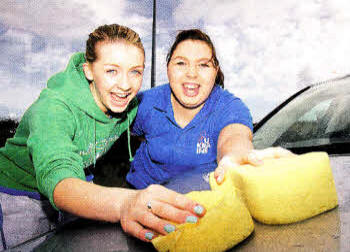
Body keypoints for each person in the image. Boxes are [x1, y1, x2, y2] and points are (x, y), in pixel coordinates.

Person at [0, 24, 206, 250]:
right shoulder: (53, 109)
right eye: (111, 71)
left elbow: (175, 113)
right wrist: (125, 203)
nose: (126, 85)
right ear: (89, 70)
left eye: (135, 71)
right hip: (19, 196)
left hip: (80, 188)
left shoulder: (130, 106)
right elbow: (58, 179)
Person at [127, 29, 293, 191]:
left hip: (199, 207)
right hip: (140, 198)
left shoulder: (230, 106)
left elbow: (234, 137)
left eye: (203, 65)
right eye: (181, 63)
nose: (191, 73)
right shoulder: (145, 102)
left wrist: (236, 157)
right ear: (168, 68)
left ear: (215, 71)